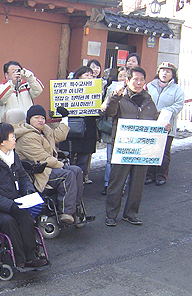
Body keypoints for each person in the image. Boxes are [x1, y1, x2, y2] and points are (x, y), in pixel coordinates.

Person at [0, 123, 47, 269]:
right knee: (8, 221)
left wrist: (29, 191)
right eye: (12, 137)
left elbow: (23, 177)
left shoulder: (13, 156)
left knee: (26, 218)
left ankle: (31, 256)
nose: (15, 140)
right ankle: (19, 259)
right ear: (2, 142)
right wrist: (9, 205)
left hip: (14, 201)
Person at [102, 67, 168, 226]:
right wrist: (114, 97)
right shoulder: (119, 97)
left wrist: (164, 126)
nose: (138, 83)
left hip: (143, 150)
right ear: (127, 81)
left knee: (138, 183)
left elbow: (155, 119)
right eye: (135, 80)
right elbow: (107, 111)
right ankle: (111, 214)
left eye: (141, 80)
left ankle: (131, 213)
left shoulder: (148, 99)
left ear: (145, 82)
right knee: (116, 183)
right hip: (123, 149)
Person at [15, 105, 84, 224]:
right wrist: (60, 165)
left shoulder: (43, 131)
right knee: (67, 175)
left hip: (48, 167)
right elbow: (43, 158)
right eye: (36, 117)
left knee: (77, 170)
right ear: (29, 119)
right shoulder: (27, 137)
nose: (40, 120)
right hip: (38, 171)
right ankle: (66, 212)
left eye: (42, 118)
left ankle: (74, 207)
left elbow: (58, 135)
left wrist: (65, 118)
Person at [145, 62, 184, 186]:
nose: (164, 73)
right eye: (162, 70)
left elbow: (178, 105)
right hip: (151, 125)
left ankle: (161, 175)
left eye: (168, 71)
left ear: (173, 74)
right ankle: (149, 175)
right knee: (151, 149)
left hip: (167, 126)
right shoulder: (150, 86)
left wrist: (166, 112)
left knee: (164, 151)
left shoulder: (177, 89)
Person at [59, 66, 97, 184]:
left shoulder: (96, 90)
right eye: (86, 75)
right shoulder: (68, 89)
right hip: (71, 129)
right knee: (68, 157)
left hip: (88, 130)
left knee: (83, 160)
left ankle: (79, 183)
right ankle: (68, 182)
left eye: (91, 75)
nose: (89, 77)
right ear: (78, 76)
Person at [101, 66, 128, 195]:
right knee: (109, 159)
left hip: (126, 130)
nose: (123, 78)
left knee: (123, 159)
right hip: (112, 127)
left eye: (126, 76)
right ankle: (107, 183)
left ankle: (121, 186)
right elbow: (105, 107)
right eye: (121, 75)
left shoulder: (134, 92)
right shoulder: (111, 88)